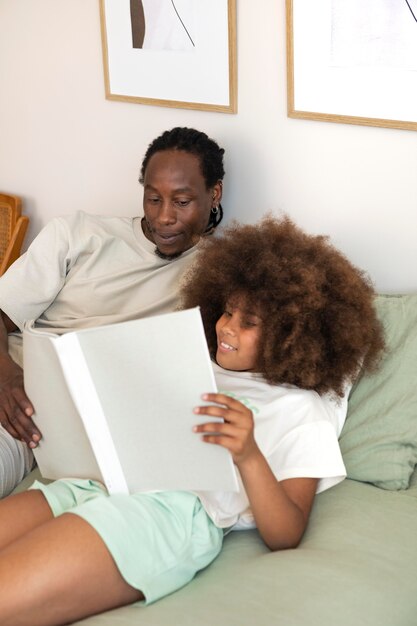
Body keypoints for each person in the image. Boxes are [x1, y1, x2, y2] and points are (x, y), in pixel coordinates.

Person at [0, 216, 384, 625]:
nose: (226, 327)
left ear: (293, 334)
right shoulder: (193, 362)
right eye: (228, 311)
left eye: (248, 322)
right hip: (94, 483)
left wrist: (248, 455)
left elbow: (286, 533)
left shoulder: (301, 410)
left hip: (167, 512)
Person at [0, 126, 225, 497]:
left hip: (68, 424)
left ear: (213, 194)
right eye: (153, 199)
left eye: (182, 202)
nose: (164, 217)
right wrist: (7, 380)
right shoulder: (78, 235)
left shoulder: (222, 274)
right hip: (14, 393)